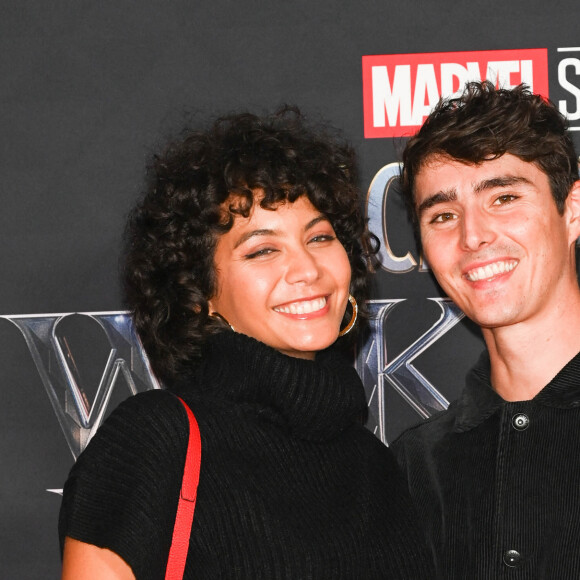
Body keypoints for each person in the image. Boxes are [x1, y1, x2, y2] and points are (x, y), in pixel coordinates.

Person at [59, 107, 435, 579]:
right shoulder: (155, 441)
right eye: (263, 249)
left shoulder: (376, 466)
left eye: (319, 238)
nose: (307, 270)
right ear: (200, 294)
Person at [392, 80, 580, 578]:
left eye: (503, 198)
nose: (472, 236)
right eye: (444, 214)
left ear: (573, 210)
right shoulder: (415, 466)